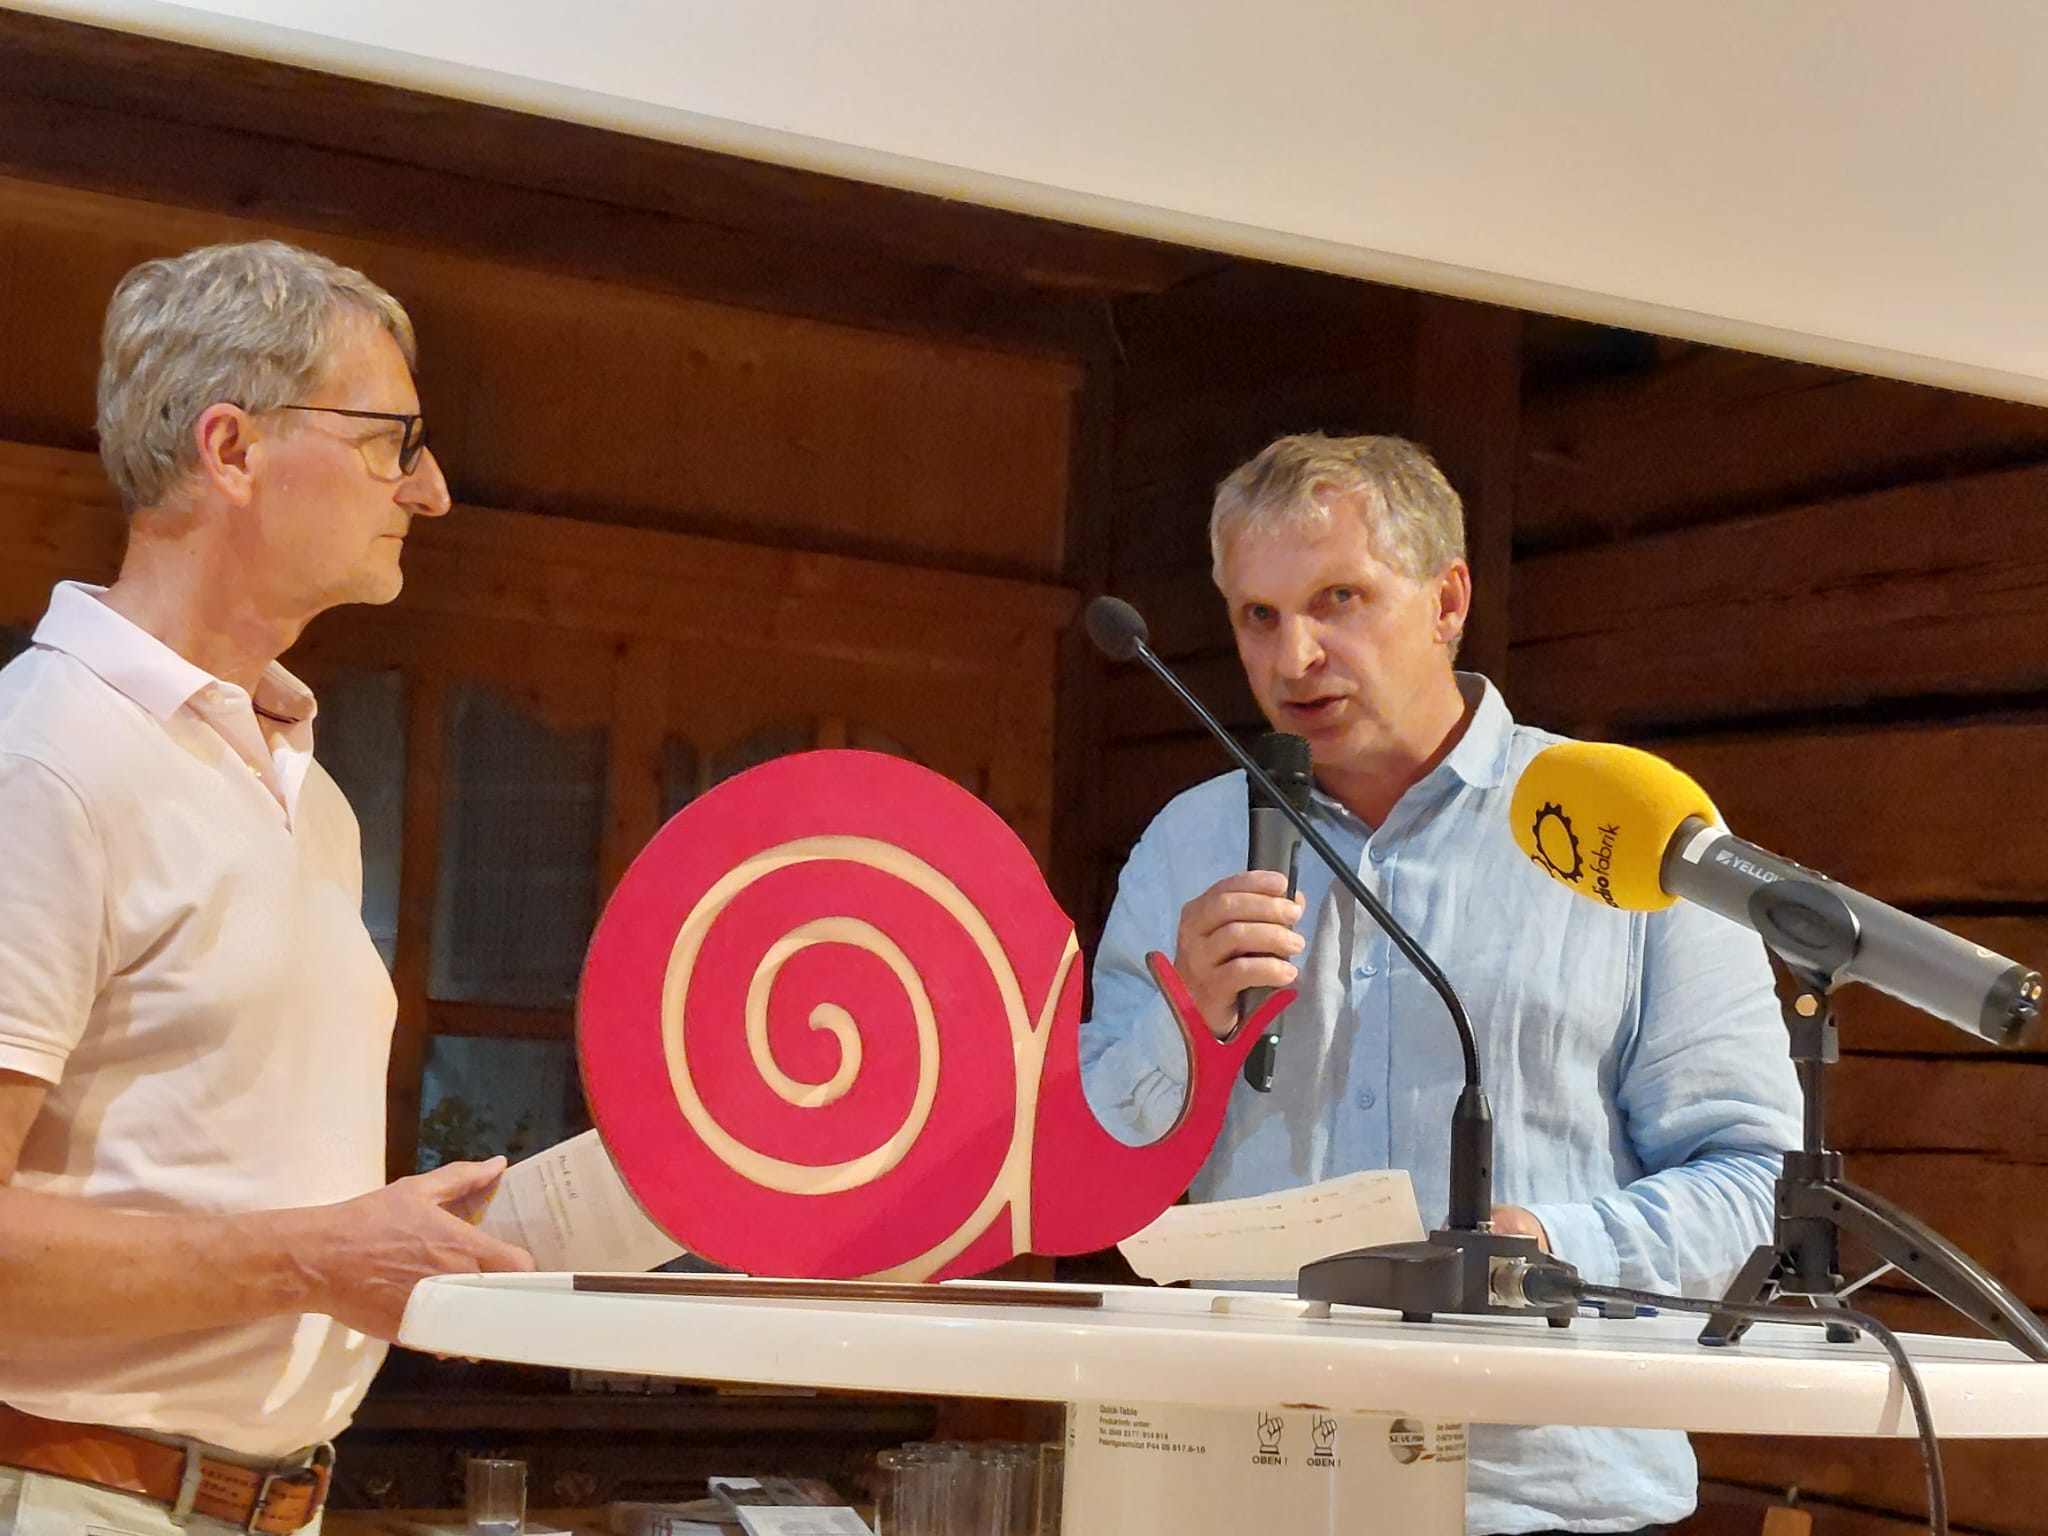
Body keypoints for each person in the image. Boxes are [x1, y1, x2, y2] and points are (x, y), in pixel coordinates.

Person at [1080, 432, 1802, 1535]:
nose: (1294, 657)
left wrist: (1550, 1249)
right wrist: (1183, 1028)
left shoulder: (1624, 833)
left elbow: (1756, 1183)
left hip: (1539, 1497)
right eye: (1258, 616)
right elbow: (1092, 1163)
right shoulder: (1189, 844)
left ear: (1447, 600)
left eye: (1338, 599)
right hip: (1243, 1488)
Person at [0, 240, 535, 1536]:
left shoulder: (312, 793)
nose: (430, 490)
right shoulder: (47, 755)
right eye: (391, 441)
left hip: (269, 1501)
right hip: (74, 1496)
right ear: (231, 449)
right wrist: (316, 1257)